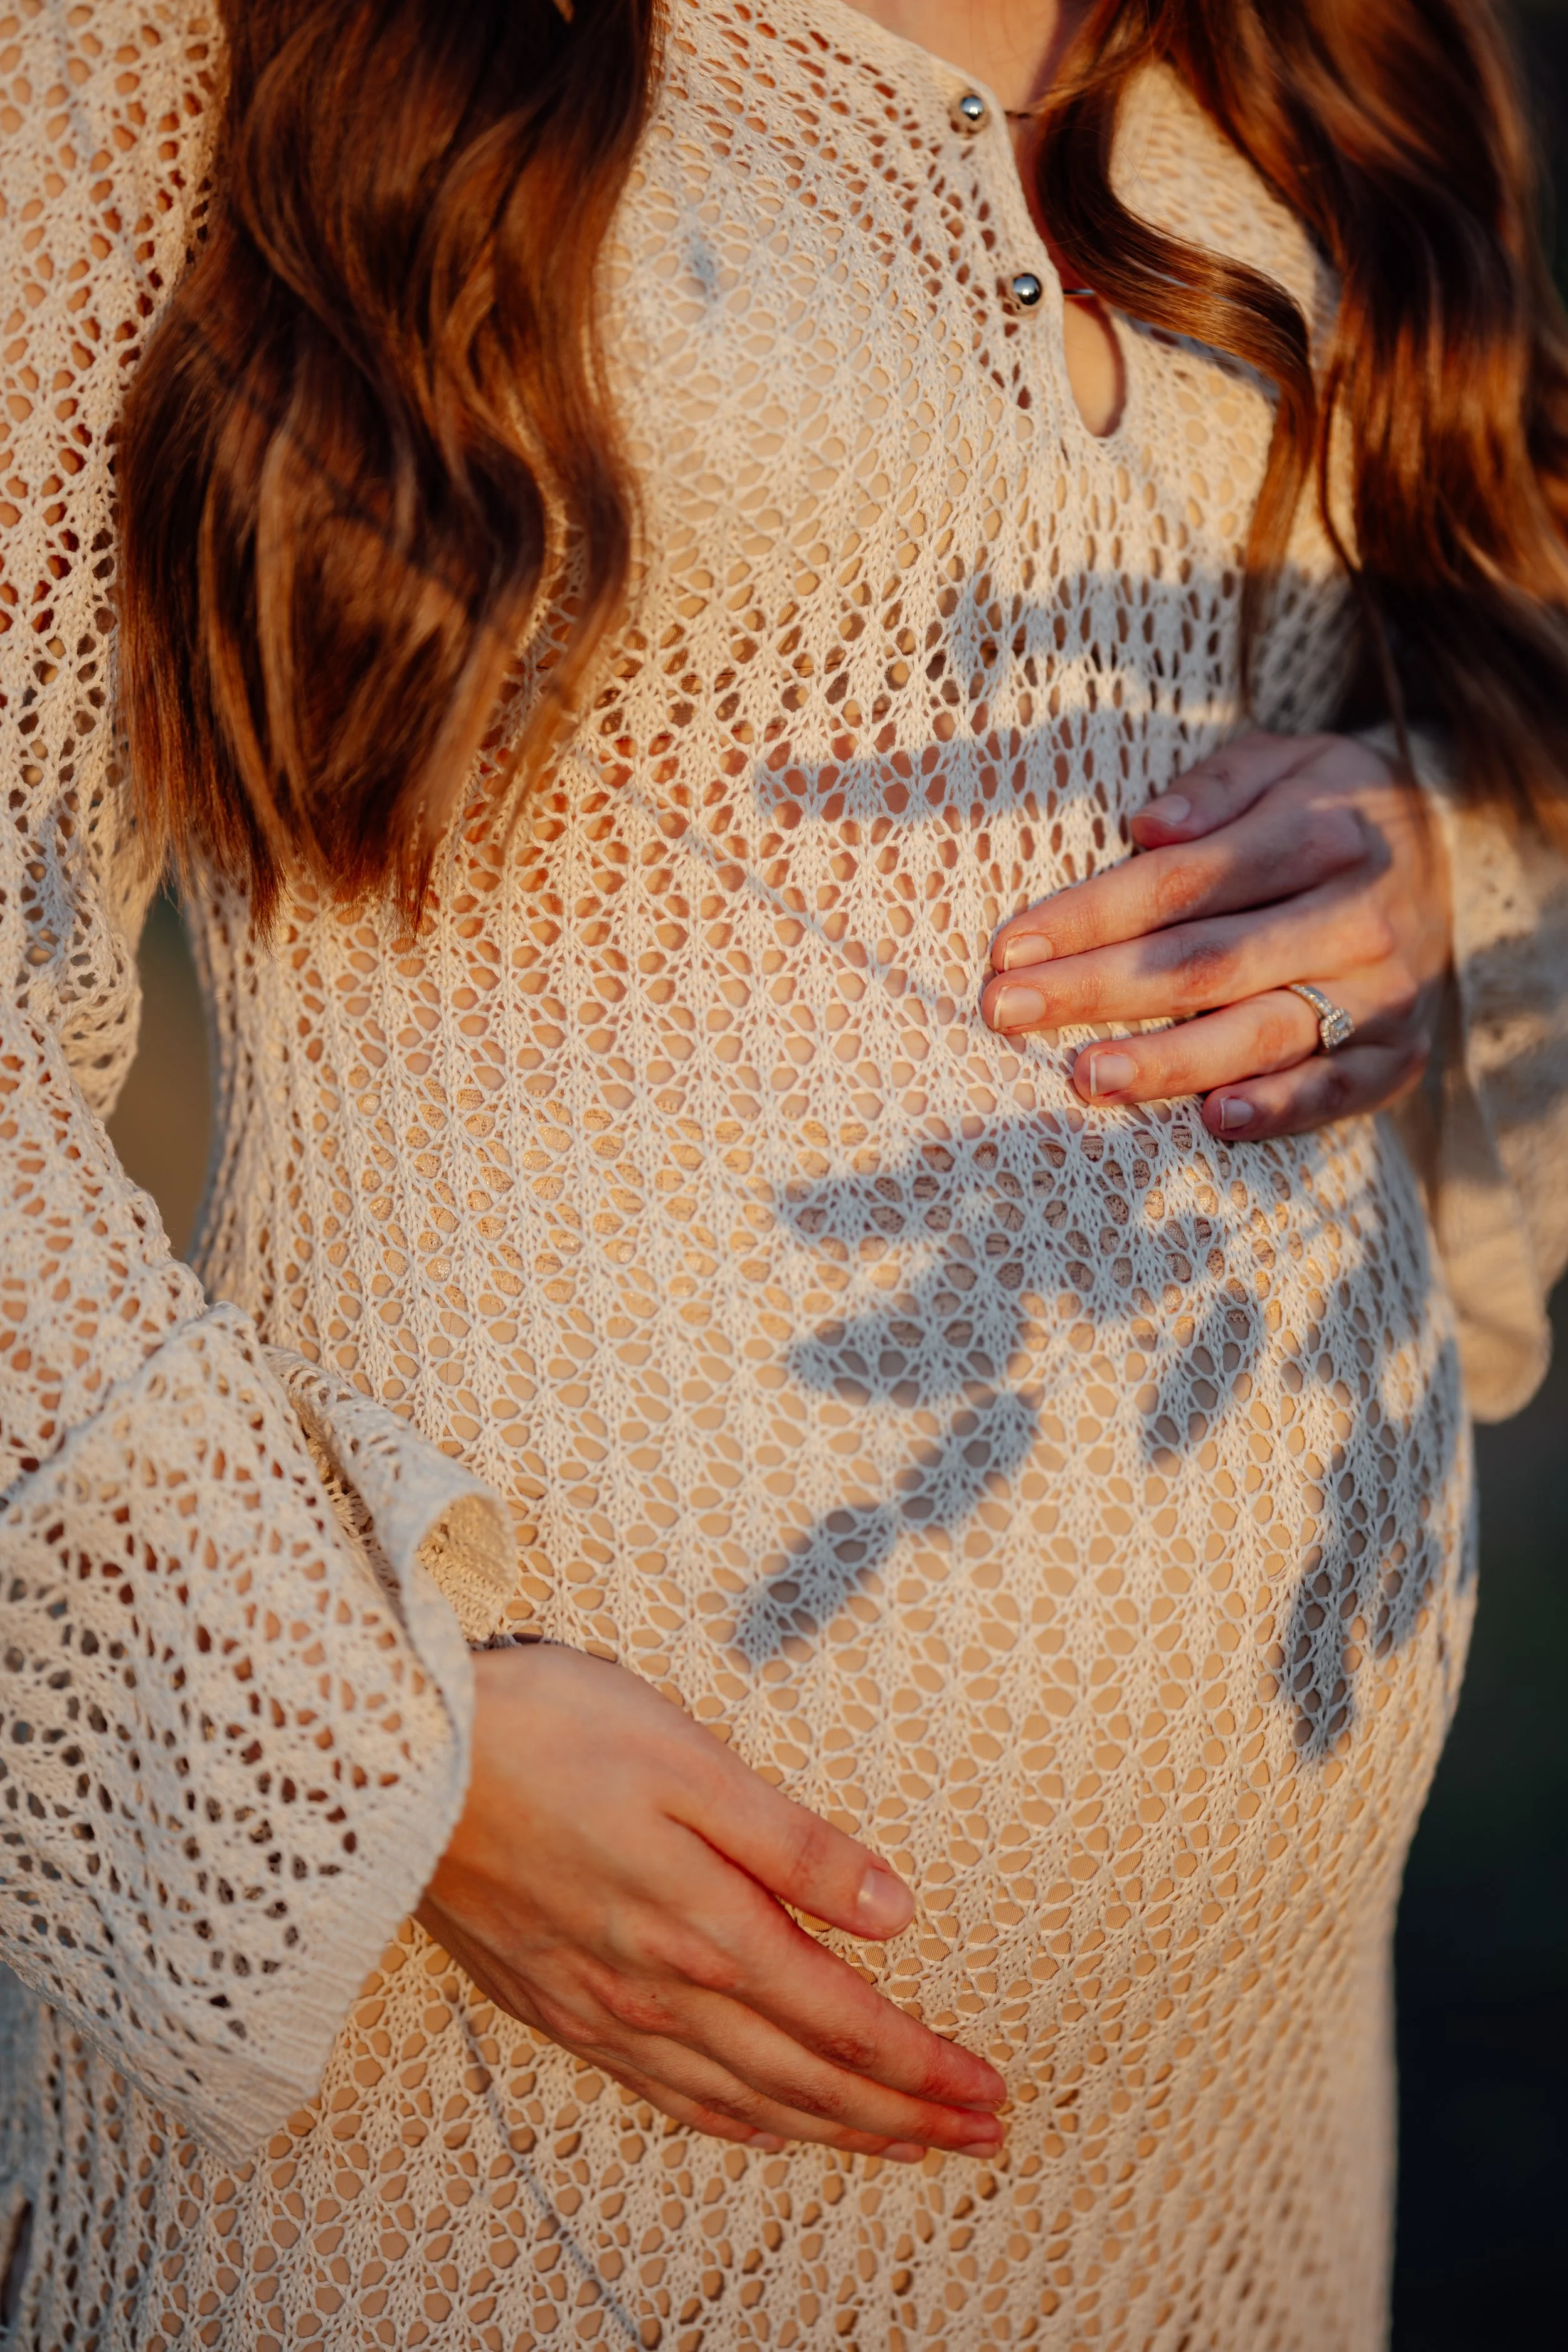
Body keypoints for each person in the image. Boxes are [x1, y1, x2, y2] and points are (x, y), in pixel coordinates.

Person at [2, 0, 1565, 2344]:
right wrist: (352, 1745)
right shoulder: (195, 45)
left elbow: (1496, 641)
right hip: (496, 2054)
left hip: (1226, 2128)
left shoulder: (1325, 39)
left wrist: (1444, 848)